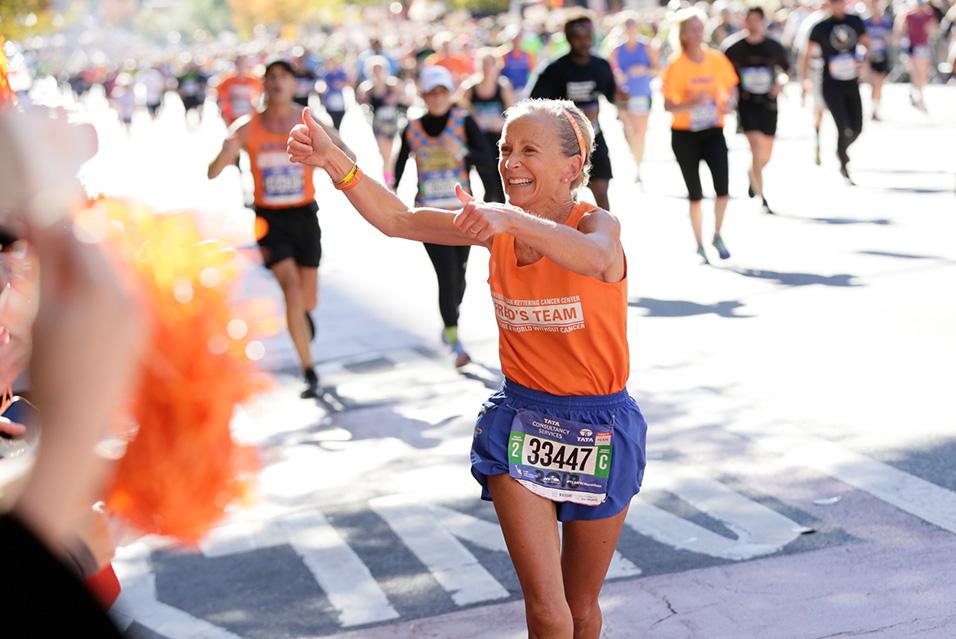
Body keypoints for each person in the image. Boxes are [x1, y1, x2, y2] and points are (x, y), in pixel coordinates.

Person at [288, 96, 647, 639]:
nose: (510, 162)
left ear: (574, 167)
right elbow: (401, 220)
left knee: (581, 608)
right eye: (505, 149)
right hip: (523, 421)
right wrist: (336, 161)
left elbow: (597, 259)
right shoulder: (495, 226)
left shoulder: (598, 223)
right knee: (548, 611)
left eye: (529, 150)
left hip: (600, 424)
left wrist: (512, 220)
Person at [208, 59, 354, 398]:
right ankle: (309, 369)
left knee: (307, 298)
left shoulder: (307, 121)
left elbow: (349, 153)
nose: (276, 83)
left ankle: (301, 317)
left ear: (293, 84)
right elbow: (212, 172)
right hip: (269, 220)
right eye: (270, 77)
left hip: (305, 216)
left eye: (283, 77)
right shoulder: (246, 127)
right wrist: (227, 152)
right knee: (289, 287)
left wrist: (330, 155)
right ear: (263, 85)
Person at [392, 66, 496, 367]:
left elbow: (487, 161)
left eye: (442, 92)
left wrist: (462, 151)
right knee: (446, 276)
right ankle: (455, 341)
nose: (437, 98)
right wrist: (390, 192)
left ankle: (450, 321)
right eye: (431, 93)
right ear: (423, 95)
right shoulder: (412, 127)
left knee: (460, 275)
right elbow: (397, 166)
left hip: (463, 215)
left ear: (450, 94)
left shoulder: (463, 122)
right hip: (429, 214)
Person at [662, 9, 739, 263]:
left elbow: (732, 87)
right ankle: (699, 244)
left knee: (723, 189)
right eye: (692, 30)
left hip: (713, 130)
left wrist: (729, 103)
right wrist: (690, 103)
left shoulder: (715, 59)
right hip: (685, 134)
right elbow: (668, 106)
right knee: (695, 193)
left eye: (700, 28)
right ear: (682, 34)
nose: (697, 34)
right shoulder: (676, 64)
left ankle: (717, 233)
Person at [530, 12, 621, 211]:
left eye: (588, 36)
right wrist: (569, 113)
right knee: (567, 198)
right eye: (578, 37)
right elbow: (534, 104)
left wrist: (624, 93)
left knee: (602, 193)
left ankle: (605, 238)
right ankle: (570, 237)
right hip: (564, 141)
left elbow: (613, 96)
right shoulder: (554, 70)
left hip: (594, 136)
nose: (584, 42)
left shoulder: (601, 66)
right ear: (569, 38)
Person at [723, 7, 790, 214]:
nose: (753, 25)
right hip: (747, 103)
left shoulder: (773, 46)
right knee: (756, 147)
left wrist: (780, 83)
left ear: (762, 22)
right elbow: (723, 75)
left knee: (766, 154)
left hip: (768, 103)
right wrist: (730, 94)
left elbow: (787, 71)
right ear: (744, 22)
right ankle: (763, 198)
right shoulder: (733, 47)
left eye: (757, 21)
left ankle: (753, 173)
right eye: (749, 20)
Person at [802, 0, 870, 184]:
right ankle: (843, 160)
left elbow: (866, 44)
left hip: (851, 82)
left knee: (857, 127)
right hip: (830, 84)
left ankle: (842, 150)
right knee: (842, 125)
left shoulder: (855, 22)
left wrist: (865, 62)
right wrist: (804, 80)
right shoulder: (820, 27)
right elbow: (806, 54)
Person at [610, 14, 661, 183]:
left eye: (633, 29)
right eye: (628, 29)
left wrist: (643, 70)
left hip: (642, 94)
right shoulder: (616, 49)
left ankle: (638, 166)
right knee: (628, 130)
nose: (631, 32)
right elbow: (612, 72)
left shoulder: (646, 46)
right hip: (624, 96)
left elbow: (657, 69)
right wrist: (620, 76)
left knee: (640, 132)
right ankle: (635, 157)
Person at [460, 49, 515, 203]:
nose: (487, 68)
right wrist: (475, 121)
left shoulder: (503, 87)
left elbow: (513, 113)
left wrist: (501, 122)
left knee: (502, 182)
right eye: (484, 64)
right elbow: (460, 113)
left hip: (498, 141)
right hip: (478, 142)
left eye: (491, 64)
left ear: (498, 66)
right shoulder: (469, 88)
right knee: (488, 182)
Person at [356, 56, 405, 184]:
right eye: (374, 70)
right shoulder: (367, 88)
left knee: (389, 152)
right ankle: (389, 176)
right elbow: (361, 103)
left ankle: (389, 176)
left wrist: (395, 99)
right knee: (383, 153)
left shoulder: (392, 85)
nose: (377, 73)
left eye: (380, 69)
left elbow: (406, 98)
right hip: (378, 123)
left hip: (392, 121)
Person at [899, 0, 938, 112]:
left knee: (923, 75)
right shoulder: (908, 15)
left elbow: (934, 29)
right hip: (912, 47)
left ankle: (914, 91)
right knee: (915, 73)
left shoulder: (928, 15)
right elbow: (901, 29)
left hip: (923, 47)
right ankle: (920, 99)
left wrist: (929, 30)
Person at [864, 0, 894, 120]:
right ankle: (872, 107)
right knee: (872, 84)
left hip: (882, 56)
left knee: (878, 84)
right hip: (868, 57)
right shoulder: (864, 21)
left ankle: (875, 109)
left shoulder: (886, 21)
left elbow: (890, 38)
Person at [215, 56, 261, 127]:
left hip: (248, 118)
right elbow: (221, 100)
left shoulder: (254, 81)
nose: (241, 67)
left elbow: (258, 98)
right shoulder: (227, 81)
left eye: (243, 64)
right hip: (232, 118)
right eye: (239, 64)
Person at [500, 26, 537, 98]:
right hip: (508, 90)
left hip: (522, 89)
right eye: (514, 40)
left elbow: (533, 73)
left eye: (518, 39)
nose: (516, 42)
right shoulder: (504, 55)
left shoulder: (528, 55)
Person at [318, 55, 349, 130]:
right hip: (330, 103)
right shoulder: (326, 74)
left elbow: (348, 83)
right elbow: (323, 86)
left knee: (338, 124)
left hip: (340, 103)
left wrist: (341, 84)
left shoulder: (341, 73)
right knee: (333, 124)